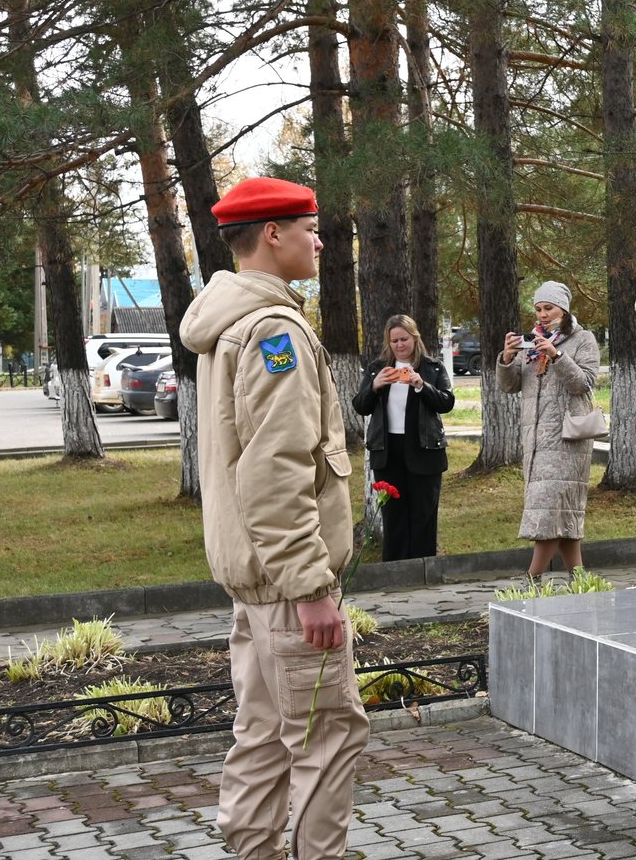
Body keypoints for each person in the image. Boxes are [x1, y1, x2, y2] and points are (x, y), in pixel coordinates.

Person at [178, 176, 369, 860]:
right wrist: (313, 589)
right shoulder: (272, 330)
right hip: (289, 587)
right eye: (310, 228)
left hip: (257, 580)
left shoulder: (226, 318)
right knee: (327, 738)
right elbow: (274, 471)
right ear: (272, 235)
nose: (320, 241)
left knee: (261, 732)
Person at [498, 281, 600, 580]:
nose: (542, 315)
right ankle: (580, 580)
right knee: (562, 514)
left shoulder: (583, 339)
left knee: (547, 510)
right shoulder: (531, 344)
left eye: (549, 308)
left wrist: (557, 355)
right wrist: (506, 358)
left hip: (568, 439)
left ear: (564, 309)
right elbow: (509, 386)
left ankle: (532, 579)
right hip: (536, 440)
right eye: (539, 309)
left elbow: (583, 383)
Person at [351, 314, 455, 561]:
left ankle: (424, 569)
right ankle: (395, 572)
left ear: (414, 338)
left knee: (424, 515)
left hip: (424, 449)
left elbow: (446, 403)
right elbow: (360, 406)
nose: (400, 345)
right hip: (387, 452)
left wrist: (421, 385)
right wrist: (375, 385)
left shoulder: (432, 367)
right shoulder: (378, 368)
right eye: (394, 340)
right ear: (389, 343)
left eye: (404, 339)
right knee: (393, 515)